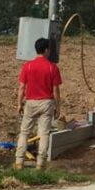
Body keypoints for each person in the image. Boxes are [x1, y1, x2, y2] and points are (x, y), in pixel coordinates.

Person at [15, 37, 62, 170]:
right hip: (47, 103)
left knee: (24, 132)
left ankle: (19, 162)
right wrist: (58, 107)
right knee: (44, 134)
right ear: (46, 50)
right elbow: (56, 90)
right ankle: (40, 163)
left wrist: (19, 104)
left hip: (30, 102)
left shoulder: (27, 66)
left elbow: (22, 87)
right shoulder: (53, 68)